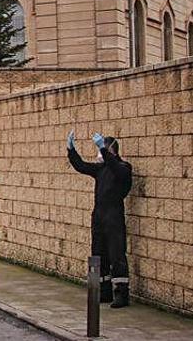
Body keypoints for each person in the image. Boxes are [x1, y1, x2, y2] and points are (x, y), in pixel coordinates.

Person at [67, 130, 134, 308]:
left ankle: (121, 294)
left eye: (101, 149)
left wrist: (103, 150)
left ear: (110, 150)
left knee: (116, 254)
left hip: (114, 217)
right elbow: (81, 166)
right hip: (99, 217)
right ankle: (104, 292)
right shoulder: (101, 169)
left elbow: (117, 170)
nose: (98, 154)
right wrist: (71, 150)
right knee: (99, 254)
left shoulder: (123, 168)